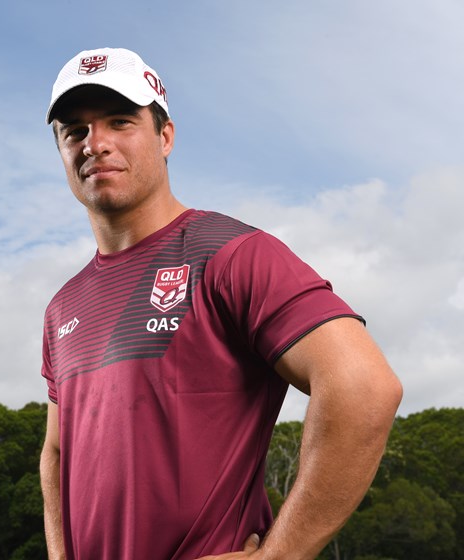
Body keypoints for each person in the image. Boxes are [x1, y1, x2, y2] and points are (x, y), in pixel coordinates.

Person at [38, 47, 403, 560]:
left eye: (120, 121)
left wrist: (279, 556)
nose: (95, 144)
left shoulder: (232, 255)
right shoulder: (63, 305)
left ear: (165, 137)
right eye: (74, 130)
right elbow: (57, 451)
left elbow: (363, 387)